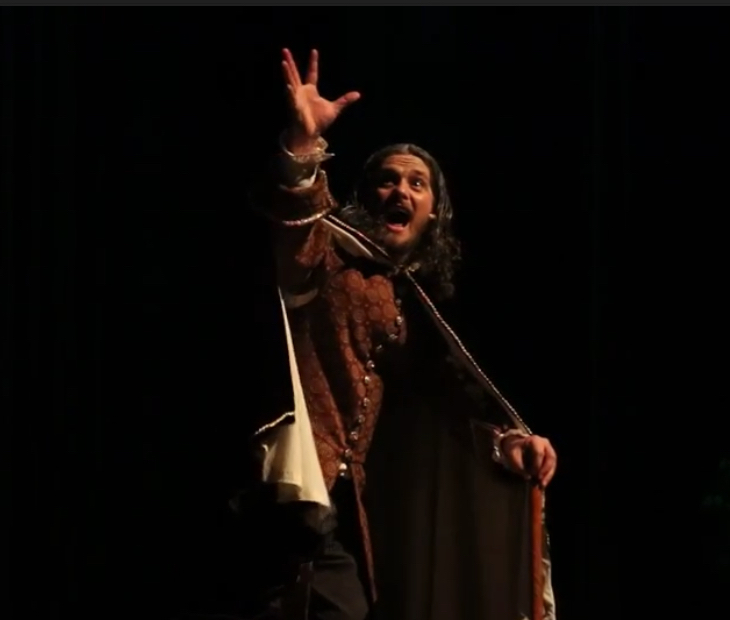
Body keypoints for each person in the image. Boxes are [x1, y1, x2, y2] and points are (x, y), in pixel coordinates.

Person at [238, 48, 558, 620]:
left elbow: (446, 394)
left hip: (337, 500)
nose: (400, 192)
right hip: (284, 479)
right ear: (366, 196)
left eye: (416, 184)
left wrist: (506, 441)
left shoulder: (411, 306)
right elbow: (294, 225)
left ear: (434, 211)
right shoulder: (330, 251)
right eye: (387, 181)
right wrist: (303, 148)